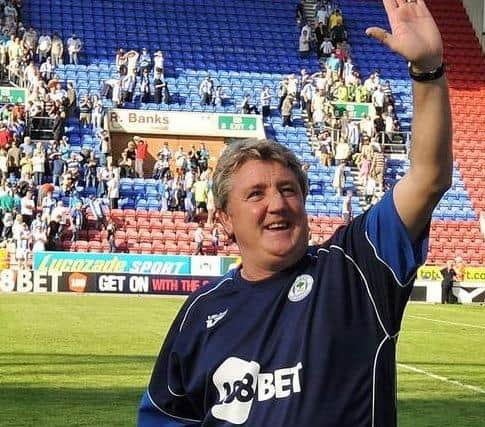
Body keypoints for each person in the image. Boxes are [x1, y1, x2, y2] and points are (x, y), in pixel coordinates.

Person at [138, 1, 451, 426]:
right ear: (224, 220)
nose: (277, 203)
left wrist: (428, 71)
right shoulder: (201, 312)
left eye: (288, 189)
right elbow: (164, 416)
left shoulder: (354, 269)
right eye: (255, 194)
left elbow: (428, 178)